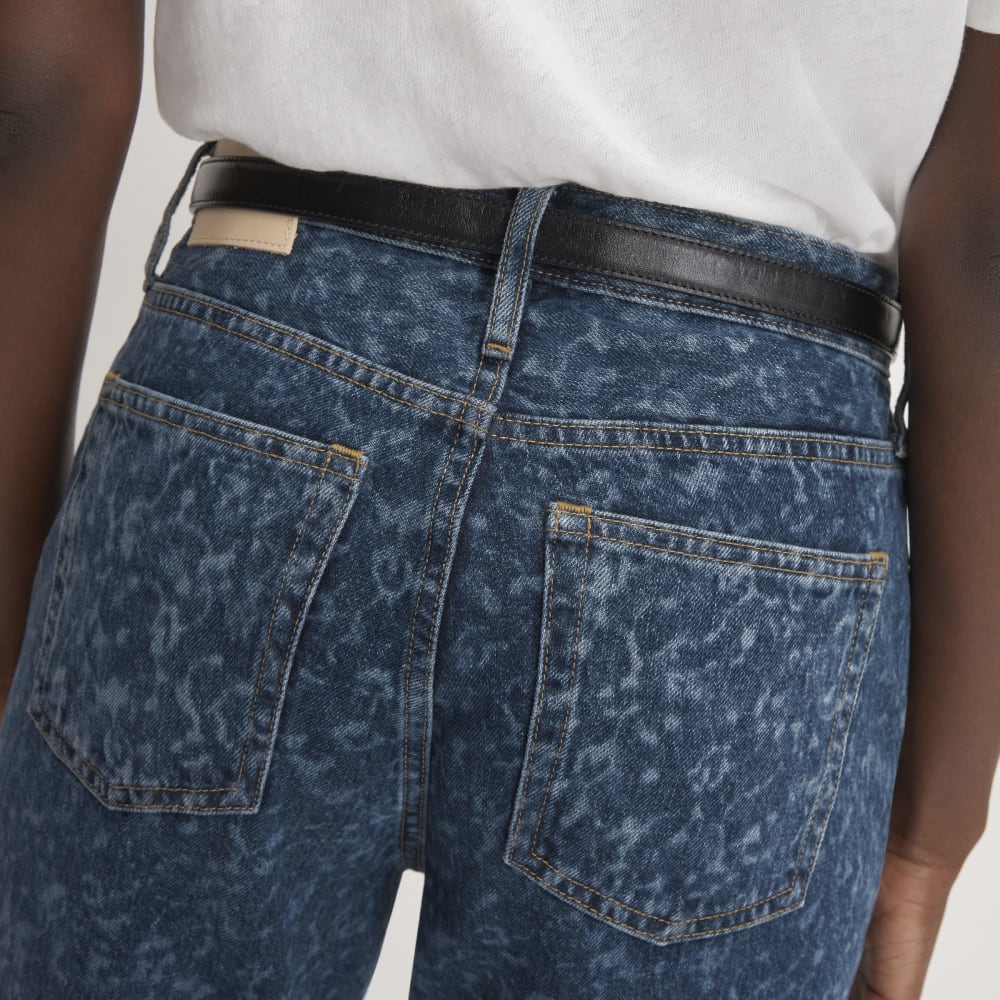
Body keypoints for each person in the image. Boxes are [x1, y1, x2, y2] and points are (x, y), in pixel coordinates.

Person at [0, 2, 997, 998]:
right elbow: (987, 233)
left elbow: (34, 94)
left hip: (255, 393)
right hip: (735, 473)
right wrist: (926, 838)